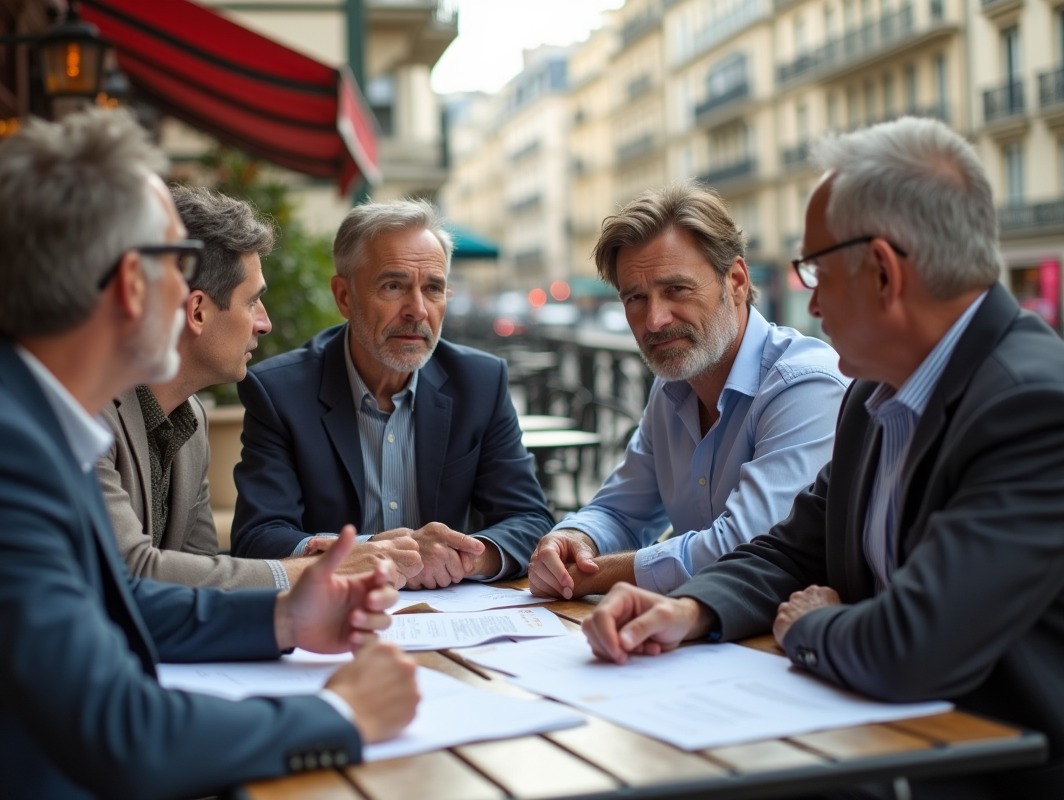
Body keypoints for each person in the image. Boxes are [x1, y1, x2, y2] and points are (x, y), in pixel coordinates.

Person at [0, 109, 419, 799]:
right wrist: (342, 712)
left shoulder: (9, 415)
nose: (192, 293)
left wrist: (284, 617)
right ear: (132, 283)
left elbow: (115, 600)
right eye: (178, 263)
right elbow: (119, 732)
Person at [583, 117, 1064, 797]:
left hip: (986, 772)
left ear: (883, 273)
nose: (808, 296)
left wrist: (809, 625)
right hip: (871, 740)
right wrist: (692, 611)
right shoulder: (874, 390)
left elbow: (912, 643)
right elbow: (789, 549)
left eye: (816, 269)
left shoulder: (1033, 405)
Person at [528, 184, 848, 600]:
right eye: (636, 298)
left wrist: (590, 575)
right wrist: (574, 538)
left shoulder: (803, 383)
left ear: (735, 281)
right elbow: (619, 510)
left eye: (676, 289)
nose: (655, 319)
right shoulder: (673, 388)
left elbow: (745, 548)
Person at [98, 185, 422, 590]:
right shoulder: (89, 414)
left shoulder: (190, 418)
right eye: (252, 302)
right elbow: (127, 574)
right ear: (196, 311)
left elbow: (202, 577)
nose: (263, 323)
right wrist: (323, 571)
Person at [231, 199, 554, 589]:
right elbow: (258, 538)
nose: (417, 310)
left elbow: (530, 519)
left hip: (449, 615)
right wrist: (375, 555)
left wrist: (464, 558)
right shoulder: (280, 391)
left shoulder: (480, 382)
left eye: (433, 288)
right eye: (393, 286)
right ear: (345, 297)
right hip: (332, 619)